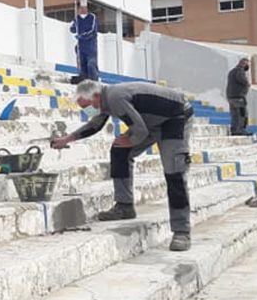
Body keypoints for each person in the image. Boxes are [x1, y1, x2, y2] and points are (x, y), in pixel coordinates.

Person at [51, 80, 194, 251]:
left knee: (174, 172)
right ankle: (124, 206)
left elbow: (140, 131)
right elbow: (96, 124)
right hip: (150, 122)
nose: (87, 111)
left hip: (175, 117)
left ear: (96, 97)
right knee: (120, 151)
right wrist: (68, 139)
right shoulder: (104, 100)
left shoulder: (115, 98)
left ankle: (181, 231)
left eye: (87, 106)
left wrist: (130, 141)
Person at [70, 0, 99, 82]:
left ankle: (94, 80)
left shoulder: (92, 17)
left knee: (91, 64)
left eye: (84, 8)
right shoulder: (77, 18)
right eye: (80, 8)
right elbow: (72, 29)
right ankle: (84, 79)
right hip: (81, 46)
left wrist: (82, 36)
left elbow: (92, 31)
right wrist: (74, 27)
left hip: (90, 46)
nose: (82, 10)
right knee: (83, 65)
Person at [226, 58, 251, 135]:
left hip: (230, 96)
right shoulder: (240, 71)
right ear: (243, 64)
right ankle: (240, 130)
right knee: (242, 114)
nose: (247, 66)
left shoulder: (231, 71)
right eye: (247, 64)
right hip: (238, 97)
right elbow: (242, 80)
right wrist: (247, 83)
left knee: (234, 115)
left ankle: (234, 130)